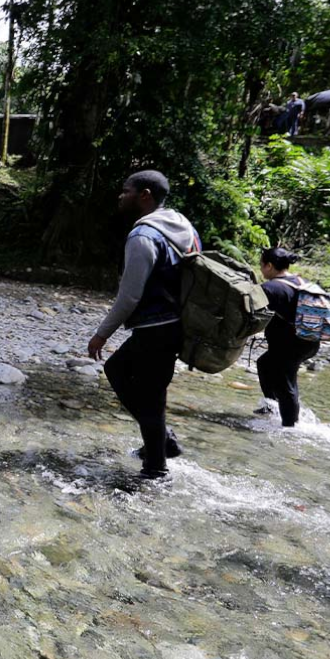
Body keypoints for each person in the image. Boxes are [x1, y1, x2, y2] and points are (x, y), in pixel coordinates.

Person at [88, 170, 201, 480]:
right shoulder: (183, 227)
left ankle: (156, 466)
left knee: (123, 375)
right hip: (180, 324)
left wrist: (101, 334)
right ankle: (160, 445)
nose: (121, 196)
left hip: (156, 328)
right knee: (153, 391)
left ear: (145, 195)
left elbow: (129, 296)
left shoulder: (143, 237)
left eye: (126, 191)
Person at [256, 247, 320, 428]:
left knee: (286, 384)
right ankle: (271, 408)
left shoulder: (271, 287)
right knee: (265, 364)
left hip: (289, 345)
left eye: (261, 265)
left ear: (269, 266)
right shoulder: (301, 281)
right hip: (310, 341)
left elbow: (250, 311)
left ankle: (290, 428)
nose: (260, 269)